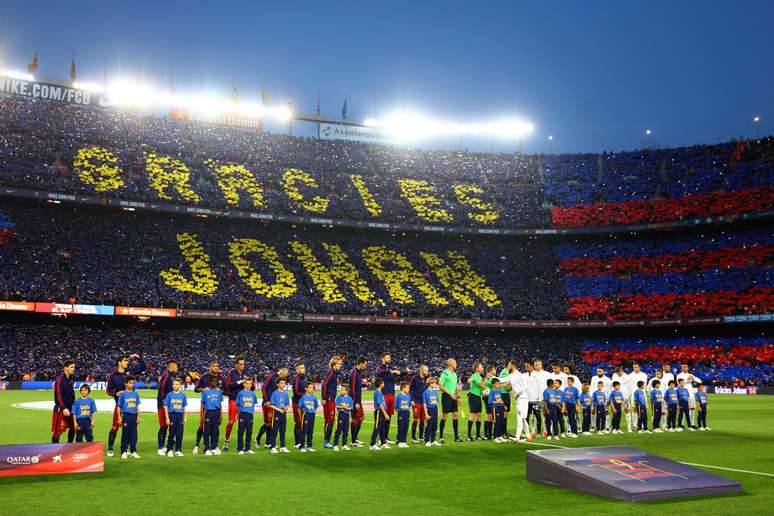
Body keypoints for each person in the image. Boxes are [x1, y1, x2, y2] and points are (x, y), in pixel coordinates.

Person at [106, 354, 145, 457]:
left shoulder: (130, 372)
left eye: (127, 360)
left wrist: (138, 358)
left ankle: (127, 449)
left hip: (131, 406)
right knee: (115, 427)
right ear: (119, 362)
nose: (127, 362)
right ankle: (110, 447)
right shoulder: (113, 376)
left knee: (130, 429)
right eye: (125, 360)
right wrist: (116, 394)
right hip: (120, 406)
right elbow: (108, 391)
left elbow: (144, 368)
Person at [193, 361, 224, 455]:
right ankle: (198, 445)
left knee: (215, 428)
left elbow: (226, 390)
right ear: (210, 367)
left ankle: (214, 446)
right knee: (202, 426)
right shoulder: (204, 377)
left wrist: (221, 391)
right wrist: (203, 389)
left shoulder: (221, 378)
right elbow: (196, 389)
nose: (216, 367)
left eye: (217, 366)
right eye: (214, 366)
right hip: (206, 406)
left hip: (216, 407)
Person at [224, 356, 253, 452]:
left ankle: (241, 445)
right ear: (236, 365)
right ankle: (226, 440)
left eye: (243, 364)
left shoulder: (246, 374)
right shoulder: (231, 373)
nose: (242, 366)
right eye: (240, 364)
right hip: (233, 399)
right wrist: (240, 382)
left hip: (244, 401)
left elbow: (251, 387)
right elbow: (229, 386)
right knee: (231, 422)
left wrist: (249, 384)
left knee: (243, 423)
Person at [256, 367, 288, 449]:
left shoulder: (279, 379)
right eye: (284, 375)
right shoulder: (271, 376)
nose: (284, 378)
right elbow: (264, 388)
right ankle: (258, 438)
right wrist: (266, 400)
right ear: (281, 372)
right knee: (268, 423)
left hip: (275, 404)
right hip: (268, 403)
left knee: (272, 423)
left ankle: (268, 442)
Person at [376, 352, 401, 442]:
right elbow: (380, 372)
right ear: (383, 359)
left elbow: (397, 376)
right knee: (383, 416)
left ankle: (386, 437)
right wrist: (392, 371)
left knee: (389, 416)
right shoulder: (380, 367)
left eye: (389, 357)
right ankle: (381, 438)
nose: (389, 359)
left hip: (391, 394)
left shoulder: (391, 368)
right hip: (384, 394)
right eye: (387, 357)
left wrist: (401, 373)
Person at [157, 359, 179, 455]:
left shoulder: (172, 376)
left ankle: (167, 445)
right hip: (163, 406)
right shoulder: (166, 376)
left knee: (170, 426)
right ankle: (160, 447)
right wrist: (164, 402)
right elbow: (161, 389)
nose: (177, 368)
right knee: (163, 426)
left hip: (170, 406)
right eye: (176, 366)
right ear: (172, 366)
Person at [52, 360, 76, 444]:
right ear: (65, 368)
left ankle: (69, 446)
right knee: (58, 431)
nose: (73, 369)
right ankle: (54, 451)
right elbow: (58, 396)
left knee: (73, 427)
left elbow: (71, 393)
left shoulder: (71, 378)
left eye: (74, 367)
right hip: (61, 409)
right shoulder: (60, 380)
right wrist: (64, 408)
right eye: (71, 367)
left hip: (71, 408)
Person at [438, 358, 462, 443]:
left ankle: (456, 437)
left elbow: (455, 386)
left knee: (455, 415)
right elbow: (440, 386)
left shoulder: (455, 374)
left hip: (454, 397)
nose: (456, 364)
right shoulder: (444, 373)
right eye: (455, 363)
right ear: (451, 364)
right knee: (444, 416)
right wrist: (450, 394)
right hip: (447, 397)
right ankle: (441, 437)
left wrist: (458, 396)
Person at [117, 377, 141, 459]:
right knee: (125, 434)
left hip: (134, 416)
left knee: (134, 434)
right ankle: (124, 451)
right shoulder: (123, 394)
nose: (132, 384)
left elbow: (137, 406)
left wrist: (138, 416)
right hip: (126, 416)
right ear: (126, 384)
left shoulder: (136, 394)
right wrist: (119, 418)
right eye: (130, 383)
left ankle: (133, 451)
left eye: (133, 383)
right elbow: (119, 407)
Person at [321, 357, 342, 448]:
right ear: (334, 364)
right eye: (339, 364)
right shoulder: (331, 373)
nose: (340, 365)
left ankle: (327, 441)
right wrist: (324, 398)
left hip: (331, 398)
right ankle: (327, 441)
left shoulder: (334, 373)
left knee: (329, 421)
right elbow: (324, 384)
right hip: (329, 399)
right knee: (330, 420)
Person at [163, 378, 187, 457]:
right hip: (172, 415)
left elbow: (184, 408)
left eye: (177, 384)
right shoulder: (169, 395)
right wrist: (167, 418)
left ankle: (178, 450)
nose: (175, 386)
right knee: (171, 433)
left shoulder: (183, 395)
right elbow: (165, 406)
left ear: (180, 386)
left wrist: (185, 417)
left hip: (180, 416)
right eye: (174, 384)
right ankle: (169, 449)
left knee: (180, 434)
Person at [202, 375, 224, 455]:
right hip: (208, 412)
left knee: (216, 431)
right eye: (213, 381)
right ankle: (206, 448)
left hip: (217, 412)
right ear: (210, 382)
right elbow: (202, 404)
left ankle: (214, 447)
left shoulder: (219, 391)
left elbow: (220, 404)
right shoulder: (205, 391)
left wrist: (221, 415)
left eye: (216, 381)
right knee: (207, 431)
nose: (215, 383)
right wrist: (202, 416)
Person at [235, 378, 258, 455]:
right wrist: (237, 414)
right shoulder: (240, 393)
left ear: (251, 385)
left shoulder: (253, 394)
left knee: (249, 432)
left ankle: (248, 448)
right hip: (242, 414)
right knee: (241, 432)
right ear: (244, 384)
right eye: (247, 383)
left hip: (250, 415)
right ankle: (240, 448)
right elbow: (237, 404)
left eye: (250, 384)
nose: (248, 385)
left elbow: (253, 403)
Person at [348, 356, 367, 447]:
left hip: (358, 400)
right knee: (355, 419)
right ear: (360, 363)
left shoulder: (359, 372)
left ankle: (355, 438)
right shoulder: (354, 373)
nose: (366, 366)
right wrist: (355, 402)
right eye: (365, 364)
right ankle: (353, 441)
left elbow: (357, 387)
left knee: (361, 418)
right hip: (355, 400)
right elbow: (352, 389)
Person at [269, 377, 291, 454]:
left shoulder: (286, 393)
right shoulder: (274, 393)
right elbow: (271, 405)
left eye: (284, 383)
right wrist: (280, 410)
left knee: (283, 430)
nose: (283, 384)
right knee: (274, 430)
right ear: (277, 384)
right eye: (281, 383)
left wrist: (286, 408)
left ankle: (282, 446)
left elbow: (287, 404)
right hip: (277, 413)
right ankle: (273, 447)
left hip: (283, 413)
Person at [677, 364, 701, 429]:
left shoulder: (690, 375)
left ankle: (692, 424)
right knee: (683, 410)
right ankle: (681, 424)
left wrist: (693, 378)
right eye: (683, 367)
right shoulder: (679, 375)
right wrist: (688, 380)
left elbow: (699, 381)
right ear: (681, 368)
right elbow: (679, 384)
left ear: (688, 368)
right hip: (683, 395)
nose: (685, 368)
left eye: (686, 367)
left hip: (691, 394)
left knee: (692, 409)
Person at [409, 365, 429, 443]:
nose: (427, 372)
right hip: (416, 401)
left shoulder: (426, 379)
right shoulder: (415, 378)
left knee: (422, 420)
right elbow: (410, 389)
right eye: (426, 370)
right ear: (421, 371)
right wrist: (412, 400)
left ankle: (421, 437)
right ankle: (413, 438)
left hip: (423, 402)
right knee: (415, 419)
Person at [298, 383, 320, 452]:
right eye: (310, 387)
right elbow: (299, 407)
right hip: (306, 415)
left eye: (312, 388)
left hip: (312, 415)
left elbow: (316, 407)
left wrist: (312, 412)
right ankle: (302, 446)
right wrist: (301, 416)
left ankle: (309, 446)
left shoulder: (314, 398)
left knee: (310, 431)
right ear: (306, 388)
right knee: (304, 431)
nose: (312, 389)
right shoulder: (303, 397)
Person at [466, 362, 485, 441]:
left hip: (478, 397)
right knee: (472, 415)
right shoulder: (475, 376)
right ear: (477, 368)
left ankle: (478, 435)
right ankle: (469, 435)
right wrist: (485, 381)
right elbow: (480, 385)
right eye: (481, 367)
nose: (483, 368)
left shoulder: (479, 377)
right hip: (473, 396)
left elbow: (481, 386)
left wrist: (483, 391)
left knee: (479, 415)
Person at [370, 378, 389, 450]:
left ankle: (383, 443)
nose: (384, 384)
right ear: (381, 384)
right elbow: (380, 404)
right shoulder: (377, 392)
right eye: (383, 383)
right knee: (377, 427)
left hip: (381, 412)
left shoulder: (380, 392)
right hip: (379, 412)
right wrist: (385, 414)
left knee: (382, 428)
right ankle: (372, 444)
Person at [291, 362, 307, 449]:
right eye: (301, 368)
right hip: (297, 403)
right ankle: (297, 443)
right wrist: (305, 395)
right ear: (297, 370)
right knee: (298, 422)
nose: (304, 369)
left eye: (303, 367)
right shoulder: (296, 379)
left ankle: (301, 441)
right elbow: (296, 392)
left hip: (302, 403)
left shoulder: (302, 378)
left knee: (302, 422)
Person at [333, 385, 353, 451]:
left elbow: (351, 408)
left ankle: (344, 445)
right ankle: (335, 445)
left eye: (342, 389)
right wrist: (343, 407)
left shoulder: (350, 398)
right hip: (340, 415)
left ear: (346, 391)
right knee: (338, 430)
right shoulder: (338, 398)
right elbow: (337, 406)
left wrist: (350, 417)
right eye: (340, 389)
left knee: (346, 431)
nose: (340, 391)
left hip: (347, 416)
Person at [629, 363, 648, 432]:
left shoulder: (644, 375)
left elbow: (645, 385)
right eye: (634, 367)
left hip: (642, 394)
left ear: (639, 367)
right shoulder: (630, 375)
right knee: (634, 409)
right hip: (634, 394)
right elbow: (629, 386)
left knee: (644, 409)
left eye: (636, 367)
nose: (635, 369)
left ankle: (642, 425)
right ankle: (634, 425)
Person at [524, 361, 542, 437]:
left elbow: (540, 387)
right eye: (525, 366)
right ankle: (527, 432)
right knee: (526, 417)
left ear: (531, 366)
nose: (526, 368)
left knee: (537, 416)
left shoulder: (537, 375)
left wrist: (540, 399)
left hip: (535, 400)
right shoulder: (523, 375)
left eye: (527, 366)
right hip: (526, 400)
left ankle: (538, 433)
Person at [611, 366, 630, 432]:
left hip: (624, 396)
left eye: (620, 372)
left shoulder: (627, 376)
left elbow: (629, 387)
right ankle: (613, 428)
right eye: (618, 372)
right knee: (615, 415)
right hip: (616, 397)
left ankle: (629, 428)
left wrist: (627, 397)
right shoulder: (614, 376)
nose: (619, 373)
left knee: (626, 411)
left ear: (622, 371)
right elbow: (612, 385)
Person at [423, 377, 441, 447]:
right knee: (429, 426)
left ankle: (433, 440)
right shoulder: (425, 392)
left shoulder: (435, 392)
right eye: (434, 383)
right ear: (430, 383)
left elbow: (437, 403)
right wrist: (426, 413)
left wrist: (438, 412)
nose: (435, 384)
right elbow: (424, 403)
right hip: (429, 410)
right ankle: (427, 440)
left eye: (436, 383)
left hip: (435, 410)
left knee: (435, 426)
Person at [395, 381, 413, 448]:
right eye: (407, 388)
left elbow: (409, 405)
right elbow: (396, 407)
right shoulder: (398, 396)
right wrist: (399, 414)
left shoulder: (409, 396)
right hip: (401, 413)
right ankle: (399, 441)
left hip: (407, 413)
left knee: (406, 427)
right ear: (403, 388)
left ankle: (404, 441)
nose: (409, 389)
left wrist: (411, 404)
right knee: (401, 427)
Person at [488, 378, 507, 442]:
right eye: (497, 384)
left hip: (500, 408)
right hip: (495, 409)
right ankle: (496, 437)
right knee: (497, 423)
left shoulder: (499, 391)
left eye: (499, 384)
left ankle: (500, 436)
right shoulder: (492, 391)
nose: (498, 385)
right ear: (493, 385)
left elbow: (500, 400)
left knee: (502, 422)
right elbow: (490, 402)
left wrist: (504, 405)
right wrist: (497, 402)